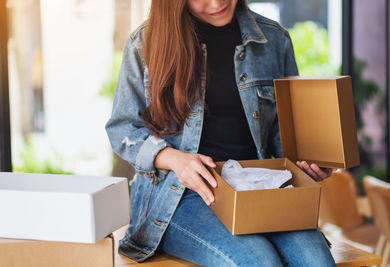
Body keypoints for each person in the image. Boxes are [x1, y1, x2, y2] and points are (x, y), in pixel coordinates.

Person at [106, 0, 336, 266]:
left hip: (261, 188)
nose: (217, 3)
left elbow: (282, 131)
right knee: (259, 262)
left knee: (317, 262)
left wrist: (305, 162)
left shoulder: (274, 39)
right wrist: (175, 159)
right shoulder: (143, 43)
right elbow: (122, 129)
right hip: (180, 197)